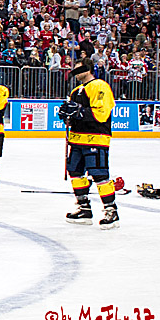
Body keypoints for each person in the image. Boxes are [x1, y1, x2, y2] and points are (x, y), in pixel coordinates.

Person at [61, 58, 119, 229]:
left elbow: (101, 113)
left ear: (88, 69)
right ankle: (84, 207)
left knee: (99, 174)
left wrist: (78, 112)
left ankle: (111, 210)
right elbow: (72, 117)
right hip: (77, 139)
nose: (77, 73)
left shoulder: (100, 86)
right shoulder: (76, 91)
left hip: (96, 138)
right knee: (75, 172)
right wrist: (66, 115)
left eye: (80, 69)